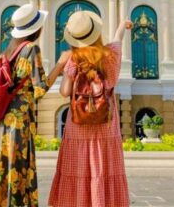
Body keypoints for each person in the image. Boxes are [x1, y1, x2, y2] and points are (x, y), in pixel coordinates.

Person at [0, 4, 60, 207]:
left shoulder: (7, 52)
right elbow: (41, 88)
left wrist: (7, 92)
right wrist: (60, 65)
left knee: (2, 165)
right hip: (20, 121)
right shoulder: (31, 49)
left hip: (2, 119)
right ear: (36, 29)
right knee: (19, 164)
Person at [49, 11, 132, 207]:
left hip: (78, 123)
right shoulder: (111, 55)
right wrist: (123, 25)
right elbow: (117, 39)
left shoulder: (74, 58)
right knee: (102, 168)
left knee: (78, 168)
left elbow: (65, 91)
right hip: (106, 123)